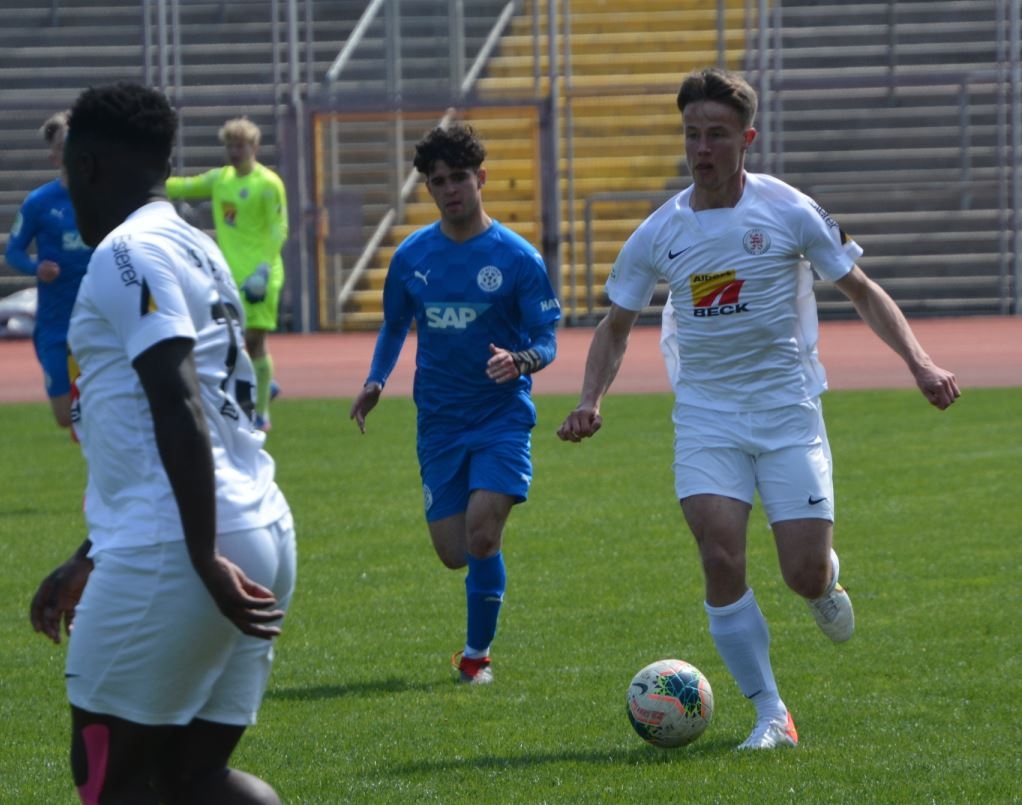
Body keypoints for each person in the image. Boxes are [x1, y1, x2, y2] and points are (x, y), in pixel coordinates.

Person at [557, 67, 960, 749]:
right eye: (692, 134)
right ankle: (771, 713)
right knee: (720, 555)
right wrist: (589, 398)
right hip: (707, 419)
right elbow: (615, 326)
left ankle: (825, 582)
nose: (702, 148)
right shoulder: (659, 232)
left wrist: (920, 362)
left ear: (747, 139)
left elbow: (861, 291)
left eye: (716, 134)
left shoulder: (789, 210)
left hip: (786, 412)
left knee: (802, 571)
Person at [29, 82, 296, 803]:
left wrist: (200, 556)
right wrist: (93, 550)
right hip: (258, 525)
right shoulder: (197, 247)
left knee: (109, 780)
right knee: (192, 779)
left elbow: (178, 399)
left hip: (184, 545)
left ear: (86, 166)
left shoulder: (126, 252)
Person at [349, 122, 561, 684]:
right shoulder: (412, 256)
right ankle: (485, 581)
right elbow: (395, 324)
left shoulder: (517, 258)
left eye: (459, 177)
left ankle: (476, 658)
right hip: (439, 422)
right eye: (438, 181)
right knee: (454, 551)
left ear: (481, 178)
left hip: (500, 417)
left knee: (482, 533)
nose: (450, 189)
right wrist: (376, 380)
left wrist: (520, 360)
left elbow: (547, 340)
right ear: (428, 187)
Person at [166, 116, 288, 432]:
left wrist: (263, 268)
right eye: (230, 146)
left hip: (261, 277)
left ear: (255, 147)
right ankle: (265, 385)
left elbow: (279, 228)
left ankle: (261, 414)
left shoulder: (268, 183)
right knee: (229, 343)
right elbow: (182, 186)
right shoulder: (221, 180)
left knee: (254, 341)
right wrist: (146, 179)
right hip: (229, 277)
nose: (234, 152)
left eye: (241, 146)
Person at [5, 110, 93, 427]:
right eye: (63, 145)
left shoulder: (102, 196)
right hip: (55, 324)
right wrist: (36, 267)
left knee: (103, 408)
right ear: (54, 157)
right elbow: (13, 251)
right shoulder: (39, 202)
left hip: (98, 320)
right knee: (65, 416)